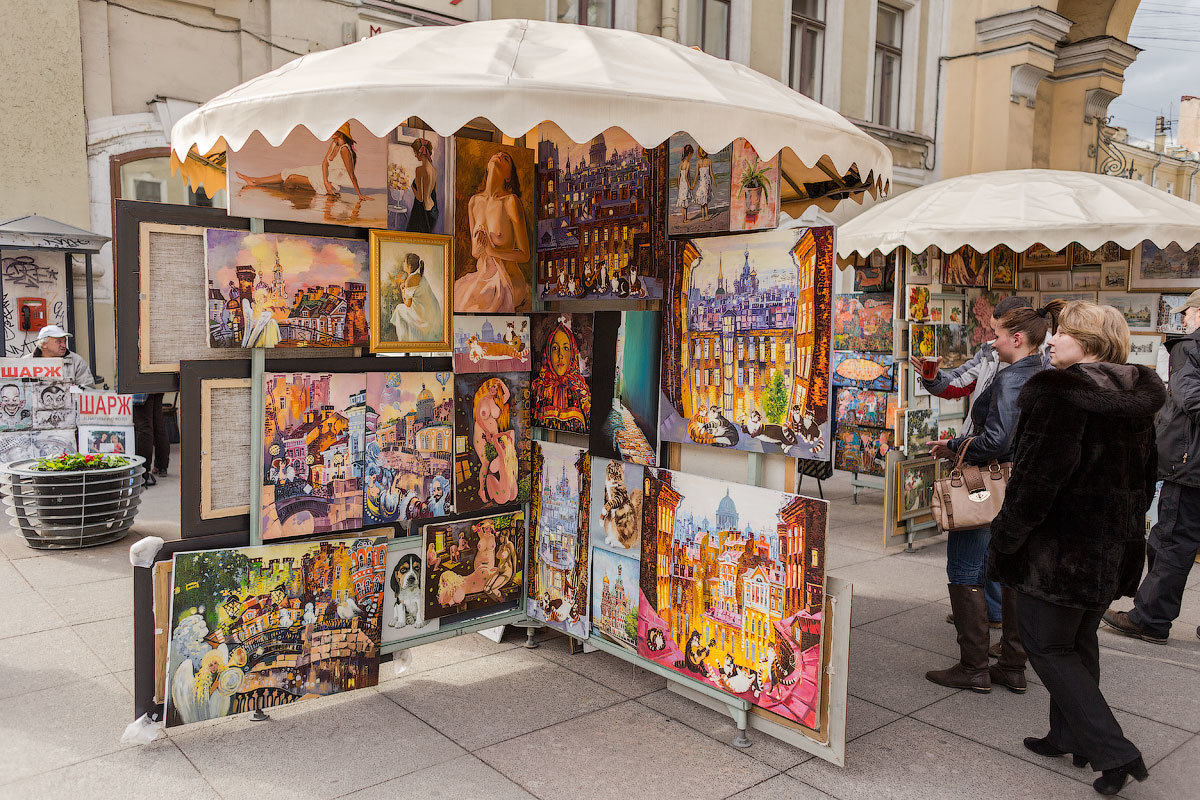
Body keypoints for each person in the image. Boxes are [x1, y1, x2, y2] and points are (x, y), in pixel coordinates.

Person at [989, 301, 1163, 795]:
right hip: (1113, 546)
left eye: (1061, 333)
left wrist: (1006, 539)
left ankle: (1114, 750)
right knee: (1079, 640)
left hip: (1059, 551)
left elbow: (1036, 483)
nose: (1051, 340)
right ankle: (1068, 736)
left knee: (1047, 645)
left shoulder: (1057, 394)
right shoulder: (1134, 393)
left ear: (1086, 342)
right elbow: (1145, 477)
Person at [925, 302, 1048, 694]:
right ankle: (1012, 663)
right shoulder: (1043, 371)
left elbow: (997, 440)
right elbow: (954, 382)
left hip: (987, 482)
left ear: (1017, 338)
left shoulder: (1015, 377)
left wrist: (954, 445)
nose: (990, 342)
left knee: (964, 568)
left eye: (995, 335)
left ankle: (973, 665)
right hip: (1017, 482)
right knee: (1009, 571)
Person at [1104, 287, 1200, 645]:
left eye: (1188, 313)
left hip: (1189, 466)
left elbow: (1190, 398)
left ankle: (1150, 619)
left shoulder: (1190, 347)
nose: (1185, 319)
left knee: (1172, 542)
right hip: (1191, 463)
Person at [455, 150, 530, 312]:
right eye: (497, 154)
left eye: (506, 158)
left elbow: (525, 254)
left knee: (479, 300)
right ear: (487, 167)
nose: (499, 156)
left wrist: (492, 250)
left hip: (508, 279)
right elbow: (475, 252)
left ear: (508, 176)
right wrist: (481, 247)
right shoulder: (474, 202)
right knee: (460, 296)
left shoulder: (511, 202)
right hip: (482, 276)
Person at [235, 123, 368, 200]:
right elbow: (324, 163)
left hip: (333, 181)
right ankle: (255, 180)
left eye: (335, 130)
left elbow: (351, 174)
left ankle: (259, 184)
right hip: (323, 176)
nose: (331, 132)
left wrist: (359, 194)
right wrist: (325, 181)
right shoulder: (334, 144)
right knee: (289, 172)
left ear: (341, 133)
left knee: (291, 180)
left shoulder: (345, 149)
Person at [388, 252, 443, 343]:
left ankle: (403, 339)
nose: (403, 264)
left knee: (398, 309)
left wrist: (402, 290)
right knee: (401, 310)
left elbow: (408, 304)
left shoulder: (410, 280)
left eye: (404, 262)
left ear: (409, 266)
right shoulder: (419, 276)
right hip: (431, 313)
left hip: (424, 317)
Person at [25, 325, 95, 388]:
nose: (64, 345)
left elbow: (88, 389)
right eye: (58, 342)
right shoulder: (25, 362)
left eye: (64, 341)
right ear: (43, 344)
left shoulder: (76, 361)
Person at [132, 392, 171, 486]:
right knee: (158, 422)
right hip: (158, 381)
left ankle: (143, 471)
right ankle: (162, 466)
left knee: (144, 426)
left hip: (143, 383)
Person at [405, 137, 439, 233]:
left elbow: (420, 198)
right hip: (432, 210)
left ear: (420, 152)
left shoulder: (420, 170)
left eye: (415, 152)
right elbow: (433, 191)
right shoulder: (433, 170)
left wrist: (412, 187)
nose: (415, 156)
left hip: (422, 212)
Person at [675, 144, 694, 222]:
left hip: (682, 185)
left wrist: (679, 185)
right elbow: (686, 177)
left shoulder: (681, 163)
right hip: (685, 185)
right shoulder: (688, 164)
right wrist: (690, 186)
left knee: (683, 204)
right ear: (689, 154)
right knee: (685, 203)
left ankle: (684, 219)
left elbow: (679, 177)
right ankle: (685, 219)